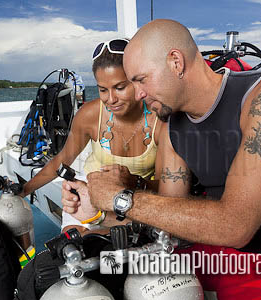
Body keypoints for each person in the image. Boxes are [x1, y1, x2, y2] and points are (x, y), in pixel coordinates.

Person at [63, 19, 261, 298]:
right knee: (102, 268)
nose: (139, 94)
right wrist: (96, 209)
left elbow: (236, 225)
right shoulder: (172, 124)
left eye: (141, 80)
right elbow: (170, 213)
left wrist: (122, 198)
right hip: (218, 253)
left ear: (176, 62)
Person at [20, 38, 162, 229]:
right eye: (103, 90)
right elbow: (61, 160)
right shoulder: (90, 114)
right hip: (88, 199)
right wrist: (23, 191)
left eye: (120, 88)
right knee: (75, 251)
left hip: (138, 204)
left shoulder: (160, 119)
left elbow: (167, 188)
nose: (111, 99)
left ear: (137, 81)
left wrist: (134, 182)